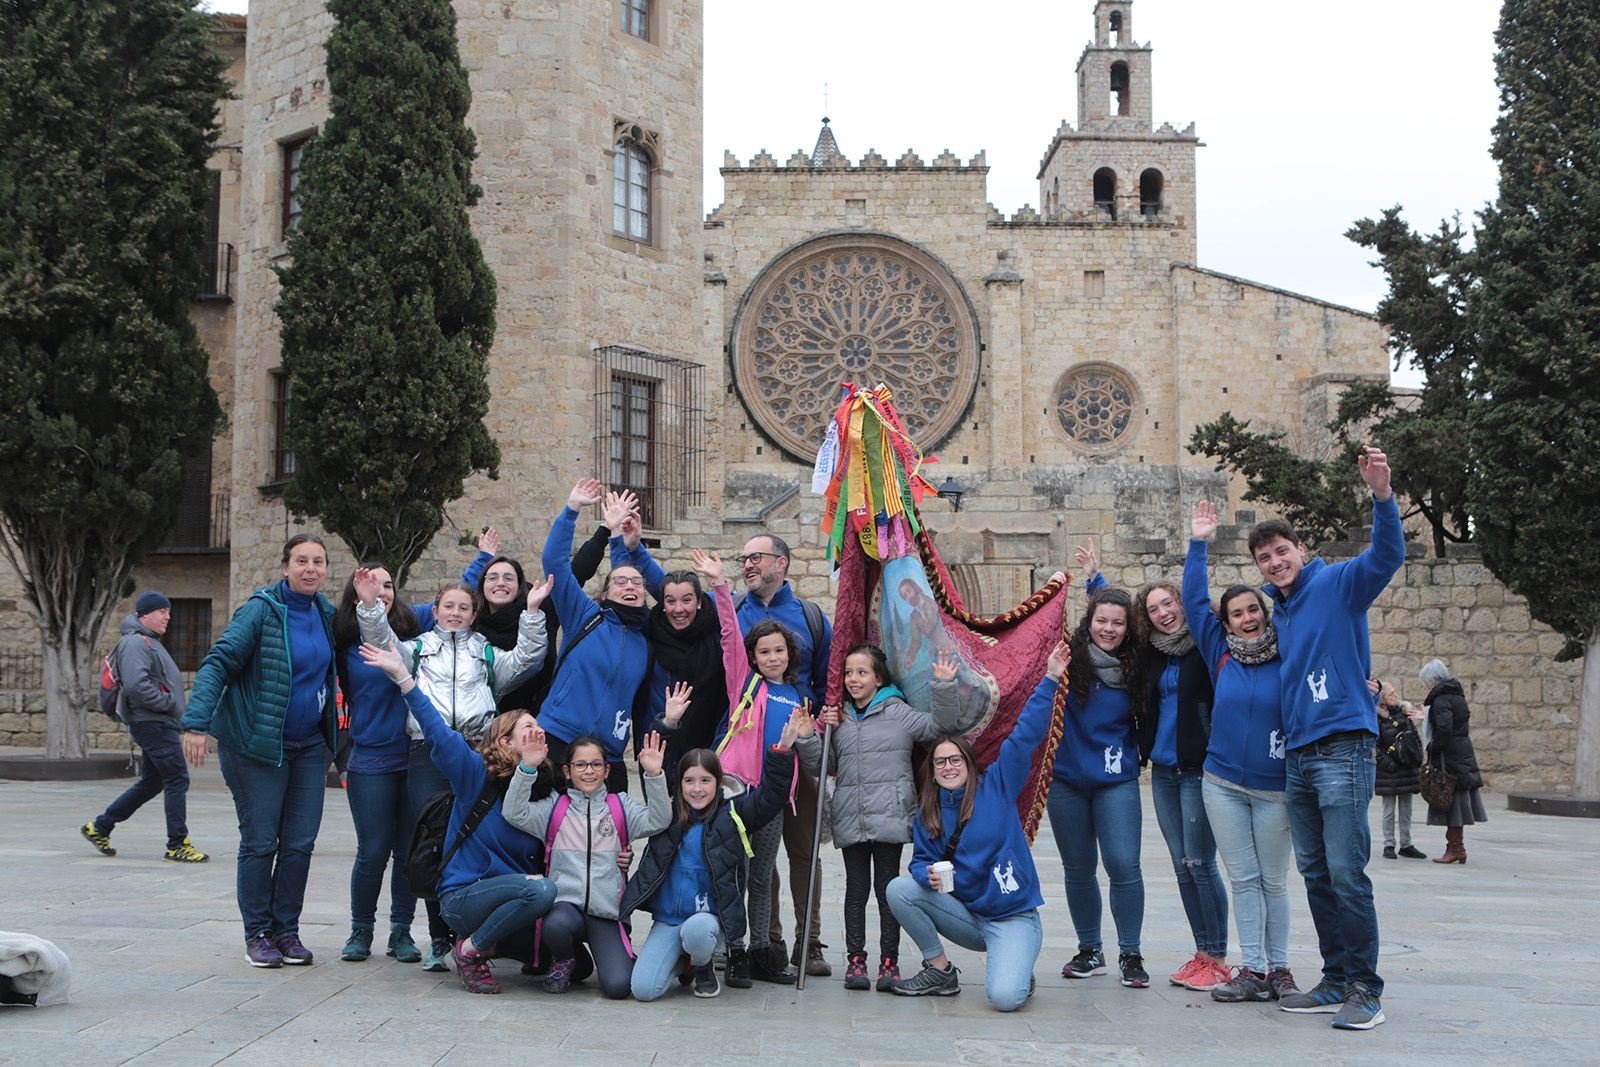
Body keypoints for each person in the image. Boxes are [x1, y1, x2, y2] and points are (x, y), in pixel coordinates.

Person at [1251, 445, 1405, 1030]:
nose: (1274, 563)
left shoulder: (1339, 583)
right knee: (1315, 874)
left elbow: (1387, 555)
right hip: (1299, 754)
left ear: (1300, 550)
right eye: (1264, 558)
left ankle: (1366, 989)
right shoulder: (1279, 612)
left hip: (1343, 745)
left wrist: (1382, 495)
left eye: (1281, 551)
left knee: (1345, 871)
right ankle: (1336, 978)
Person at [354, 564, 550, 970]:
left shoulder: (486, 653)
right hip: (428, 750)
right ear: (436, 612)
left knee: (467, 837)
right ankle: (438, 939)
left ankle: (469, 929)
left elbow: (527, 660)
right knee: (434, 838)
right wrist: (370, 607)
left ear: (474, 615)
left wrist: (532, 613)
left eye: (463, 608)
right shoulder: (418, 648)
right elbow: (382, 644)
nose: (456, 613)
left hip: (477, 752)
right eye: (448, 606)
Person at [885, 640, 1070, 1012]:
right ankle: (939, 970)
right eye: (940, 762)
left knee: (1004, 999)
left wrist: (1050, 678)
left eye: (955, 759)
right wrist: (926, 876)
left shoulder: (997, 786)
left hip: (1013, 915)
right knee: (899, 889)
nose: (948, 767)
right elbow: (920, 862)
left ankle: (1019, 969)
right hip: (968, 917)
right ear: (932, 771)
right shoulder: (929, 811)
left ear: (969, 764)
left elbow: (1025, 736)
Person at [182, 534, 340, 968]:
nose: (311, 569)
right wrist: (195, 722)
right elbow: (218, 662)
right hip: (257, 745)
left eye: (318, 561)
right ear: (285, 567)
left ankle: (287, 931)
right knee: (260, 841)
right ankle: (258, 934)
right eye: (302, 561)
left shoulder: (326, 613)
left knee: (300, 843)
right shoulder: (261, 610)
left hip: (309, 746)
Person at [1081, 540, 1228, 991]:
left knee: (1201, 862)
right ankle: (1201, 953)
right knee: (1182, 864)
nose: (1163, 613)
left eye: (1169, 603)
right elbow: (1111, 623)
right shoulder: (1153, 652)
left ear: (1182, 604)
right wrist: (1096, 581)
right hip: (1163, 772)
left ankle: (1217, 956)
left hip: (1197, 769)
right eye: (1154, 608)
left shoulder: (1204, 645)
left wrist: (1198, 544)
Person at [1186, 501, 1300, 1004]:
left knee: (1274, 881)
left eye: (1253, 609)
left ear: (1264, 612)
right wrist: (1198, 543)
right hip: (1224, 785)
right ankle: (1252, 968)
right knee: (1244, 878)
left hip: (1275, 788)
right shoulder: (1221, 655)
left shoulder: (1288, 650)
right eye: (1236, 614)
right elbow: (1194, 603)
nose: (1247, 618)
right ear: (1226, 624)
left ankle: (1281, 968)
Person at [798, 645, 962, 993]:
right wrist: (808, 737)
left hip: (890, 816)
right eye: (848, 673)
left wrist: (944, 687)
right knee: (856, 890)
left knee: (887, 891)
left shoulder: (898, 711)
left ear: (879, 678)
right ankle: (856, 960)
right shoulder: (839, 717)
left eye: (862, 672)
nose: (853, 679)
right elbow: (825, 765)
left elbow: (940, 727)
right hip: (851, 816)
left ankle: (890, 961)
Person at [622, 712, 808, 1002]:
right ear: (679, 784)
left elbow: (771, 797)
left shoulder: (734, 813)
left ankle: (702, 965)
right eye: (689, 781)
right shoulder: (667, 814)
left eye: (705, 781)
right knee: (644, 990)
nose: (697, 789)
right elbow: (659, 772)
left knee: (698, 929)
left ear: (719, 782)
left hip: (707, 920)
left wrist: (782, 750)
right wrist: (666, 726)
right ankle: (683, 962)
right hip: (669, 920)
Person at [693, 549, 808, 985]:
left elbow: (802, 749)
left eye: (779, 650)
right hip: (738, 794)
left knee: (762, 878)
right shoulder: (745, 683)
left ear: (789, 654)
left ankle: (760, 949)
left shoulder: (796, 697)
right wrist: (720, 585)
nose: (773, 657)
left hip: (772, 799)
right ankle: (734, 950)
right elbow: (728, 634)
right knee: (733, 875)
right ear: (754, 657)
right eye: (764, 651)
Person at [501, 731, 671, 998]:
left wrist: (653, 775)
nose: (588, 771)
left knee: (618, 987)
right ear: (567, 771)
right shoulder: (554, 808)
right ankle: (565, 959)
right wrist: (527, 768)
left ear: (606, 770)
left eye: (595, 764)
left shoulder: (620, 807)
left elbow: (658, 820)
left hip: (606, 914)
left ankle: (586, 963)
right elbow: (514, 812)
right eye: (580, 765)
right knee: (555, 925)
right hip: (565, 910)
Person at [735, 532, 834, 977]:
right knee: (760, 854)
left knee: (803, 850)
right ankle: (768, 940)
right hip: (755, 762)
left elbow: (830, 680)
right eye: (743, 558)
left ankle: (808, 941)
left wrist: (821, 724)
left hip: (802, 758)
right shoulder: (735, 611)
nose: (747, 564)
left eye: (755, 556)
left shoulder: (811, 618)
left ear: (782, 563)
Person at [1044, 587, 1148, 989]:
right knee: (1078, 867)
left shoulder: (1138, 665)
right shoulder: (1069, 659)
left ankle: (1130, 953)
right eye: (1101, 620)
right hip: (1067, 779)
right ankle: (1089, 949)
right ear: (1089, 622)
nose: (1108, 628)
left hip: (1115, 779)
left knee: (1123, 863)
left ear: (1128, 627)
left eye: (1118, 622)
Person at [331, 564, 423, 963]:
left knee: (407, 852)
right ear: (356, 595)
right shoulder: (345, 647)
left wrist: (482, 560)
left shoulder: (413, 642)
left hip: (414, 759)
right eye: (371, 584)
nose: (381, 590)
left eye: (387, 584)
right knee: (372, 851)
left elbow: (454, 604)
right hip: (370, 758)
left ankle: (401, 931)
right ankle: (361, 929)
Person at [536, 479, 652, 794]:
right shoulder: (584, 616)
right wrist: (572, 509)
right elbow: (554, 563)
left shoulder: (646, 639)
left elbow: (627, 571)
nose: (630, 586)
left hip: (607, 756)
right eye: (621, 583)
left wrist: (622, 539)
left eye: (637, 584)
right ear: (604, 594)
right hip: (557, 740)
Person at [79, 591, 207, 863]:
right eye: (161, 611)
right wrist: (169, 703)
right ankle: (177, 845)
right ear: (144, 614)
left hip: (156, 722)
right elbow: (137, 686)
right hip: (153, 723)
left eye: (169, 611)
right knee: (177, 778)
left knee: (153, 781)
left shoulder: (149, 642)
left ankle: (100, 827)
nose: (167, 616)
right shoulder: (136, 643)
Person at [607, 512, 729, 797]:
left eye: (687, 600)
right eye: (670, 601)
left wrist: (720, 583)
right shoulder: (651, 627)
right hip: (655, 746)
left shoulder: (716, 633)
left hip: (705, 750)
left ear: (700, 602)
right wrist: (625, 544)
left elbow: (730, 622)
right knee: (659, 820)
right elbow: (624, 587)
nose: (678, 609)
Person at [474, 519, 613, 715]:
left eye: (509, 578)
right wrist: (484, 557)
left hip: (540, 716)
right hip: (491, 721)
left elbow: (576, 572)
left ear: (519, 586)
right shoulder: (473, 623)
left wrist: (604, 531)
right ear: (482, 586)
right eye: (493, 578)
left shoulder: (541, 609)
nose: (500, 583)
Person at [1420, 658, 1486, 864]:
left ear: (1433, 681)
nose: (1426, 686)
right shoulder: (1457, 696)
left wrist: (1432, 747)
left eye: (1426, 682)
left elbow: (1444, 729)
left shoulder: (1441, 700)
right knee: (1455, 801)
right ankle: (1456, 847)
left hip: (1450, 759)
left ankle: (1456, 848)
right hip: (1461, 754)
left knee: (1453, 802)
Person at [1373, 679, 1427, 861]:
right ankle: (1389, 844)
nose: (1395, 695)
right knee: (1388, 810)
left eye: (1395, 692)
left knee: (1406, 810)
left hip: (1407, 769)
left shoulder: (1405, 715)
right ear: (1382, 699)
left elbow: (1415, 739)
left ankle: (1406, 844)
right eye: (1391, 694)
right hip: (1388, 772)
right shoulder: (1378, 719)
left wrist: (1418, 758)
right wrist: (1389, 765)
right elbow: (1375, 748)